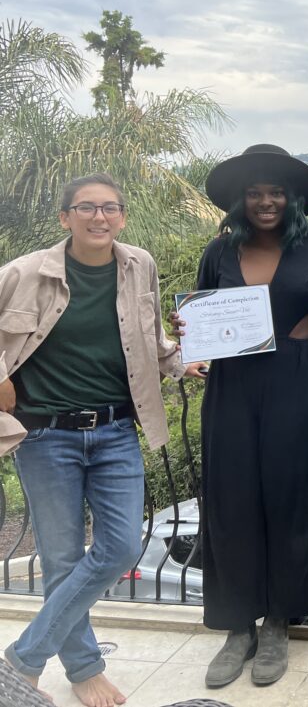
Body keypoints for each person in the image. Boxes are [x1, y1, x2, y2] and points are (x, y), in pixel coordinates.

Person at [0, 173, 201, 707]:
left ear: (122, 217)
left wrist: (183, 360)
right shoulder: (23, 275)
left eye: (110, 208)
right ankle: (85, 668)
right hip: (47, 436)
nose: (99, 217)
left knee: (119, 548)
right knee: (63, 559)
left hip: (115, 431)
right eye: (85, 207)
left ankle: (21, 660)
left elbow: (150, 338)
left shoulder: (140, 265)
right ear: (64, 218)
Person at [183, 144, 308, 689]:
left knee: (291, 496)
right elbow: (202, 311)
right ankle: (238, 627)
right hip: (232, 383)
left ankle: (279, 621)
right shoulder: (220, 252)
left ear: (292, 197)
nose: (265, 201)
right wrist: (191, 337)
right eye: (254, 193)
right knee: (232, 498)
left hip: (299, 381)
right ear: (240, 200)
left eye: (275, 192)